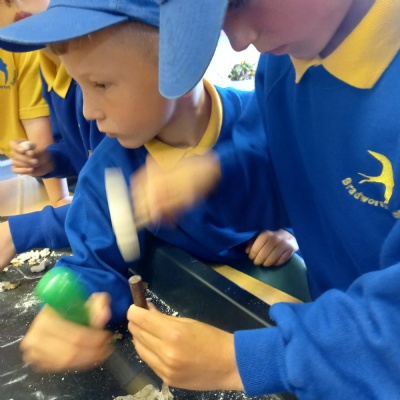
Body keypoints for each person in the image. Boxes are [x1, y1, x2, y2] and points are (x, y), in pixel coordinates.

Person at [0, 0, 300, 374]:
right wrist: (69, 308)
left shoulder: (267, 119)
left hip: (280, 316)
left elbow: (309, 192)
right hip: (198, 310)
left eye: (101, 84)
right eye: (79, 84)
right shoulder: (108, 172)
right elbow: (96, 260)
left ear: (179, 66)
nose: (88, 110)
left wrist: (290, 231)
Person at [120, 0, 400, 399]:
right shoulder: (286, 60)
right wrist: (216, 175)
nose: (238, 41)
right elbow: (283, 169)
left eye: (240, 2)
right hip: (339, 350)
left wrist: (240, 360)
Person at [0, 48, 105, 270]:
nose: (88, 112)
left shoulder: (93, 68)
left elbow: (111, 206)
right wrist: (50, 160)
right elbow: (79, 148)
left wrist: (17, 232)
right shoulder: (49, 68)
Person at [0, 0, 70, 207]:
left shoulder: (21, 45)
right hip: (44, 162)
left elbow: (36, 121)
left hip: (52, 162)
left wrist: (59, 197)